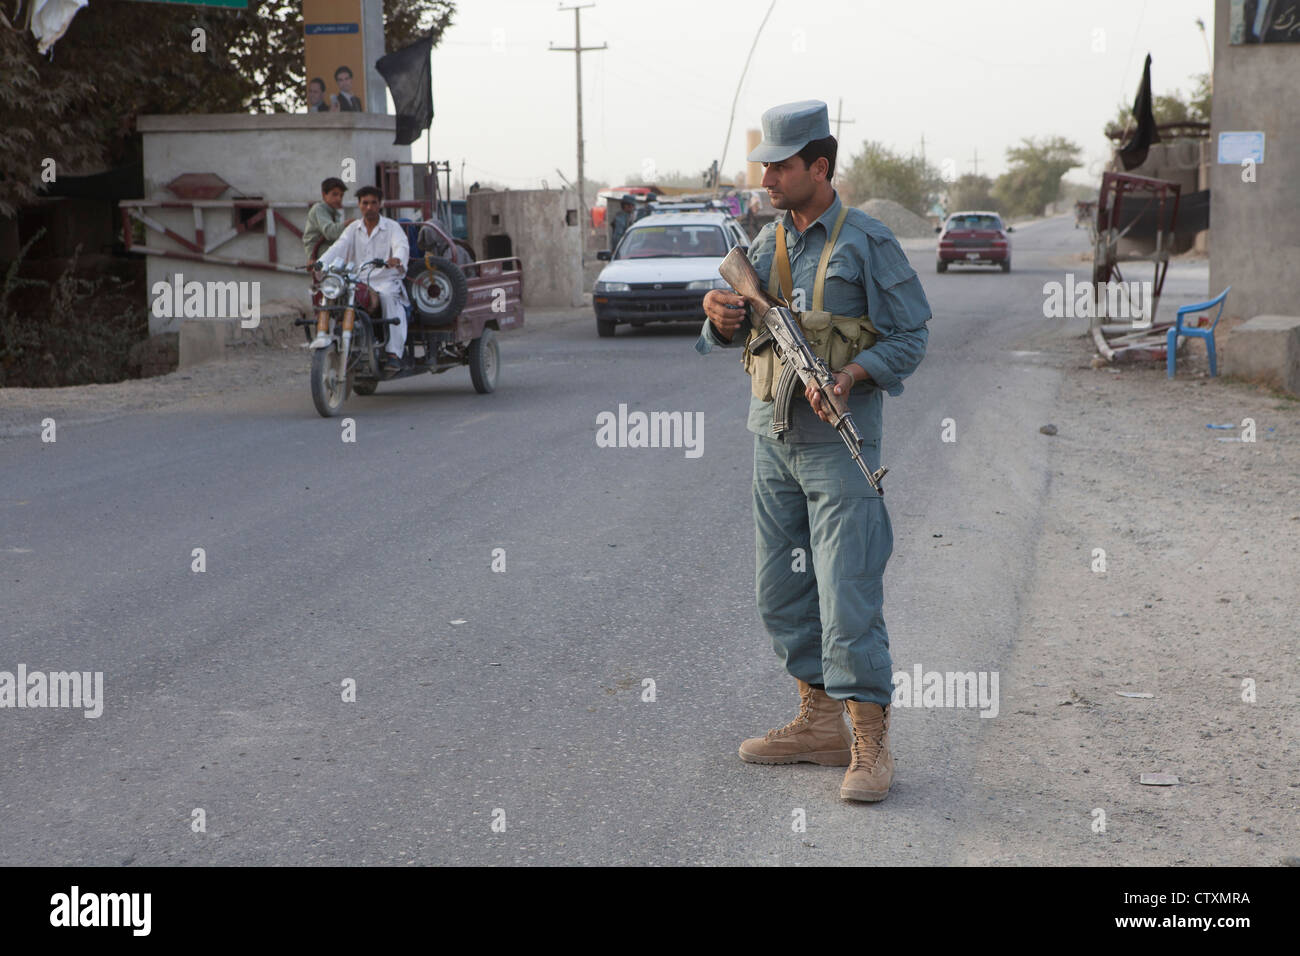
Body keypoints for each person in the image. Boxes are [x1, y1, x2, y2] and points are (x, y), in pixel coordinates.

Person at [696, 100, 931, 803]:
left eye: (782, 164)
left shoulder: (869, 242)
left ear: (819, 167)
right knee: (783, 592)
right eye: (765, 162)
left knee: (847, 592)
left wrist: (853, 374)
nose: (767, 174)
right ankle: (820, 721)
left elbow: (910, 337)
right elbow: (735, 337)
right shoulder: (763, 244)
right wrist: (719, 317)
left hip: (838, 446)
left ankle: (870, 740)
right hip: (773, 441)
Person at [315, 185, 409, 374]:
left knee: (389, 298)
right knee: (333, 297)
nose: (369, 207)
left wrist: (397, 259)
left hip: (385, 281)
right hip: (357, 282)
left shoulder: (392, 227)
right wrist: (320, 263)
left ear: (380, 205)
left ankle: (393, 354)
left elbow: (401, 246)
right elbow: (338, 247)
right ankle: (330, 341)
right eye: (365, 203)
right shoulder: (352, 229)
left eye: (373, 203)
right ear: (359, 205)